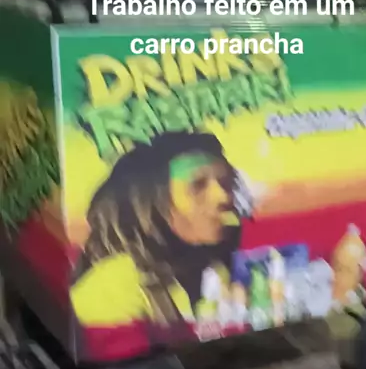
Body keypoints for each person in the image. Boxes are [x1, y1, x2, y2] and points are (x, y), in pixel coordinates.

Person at [71, 130, 242, 332]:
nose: (224, 197)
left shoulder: (217, 268)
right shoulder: (112, 286)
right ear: (148, 202)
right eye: (197, 185)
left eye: (226, 183)